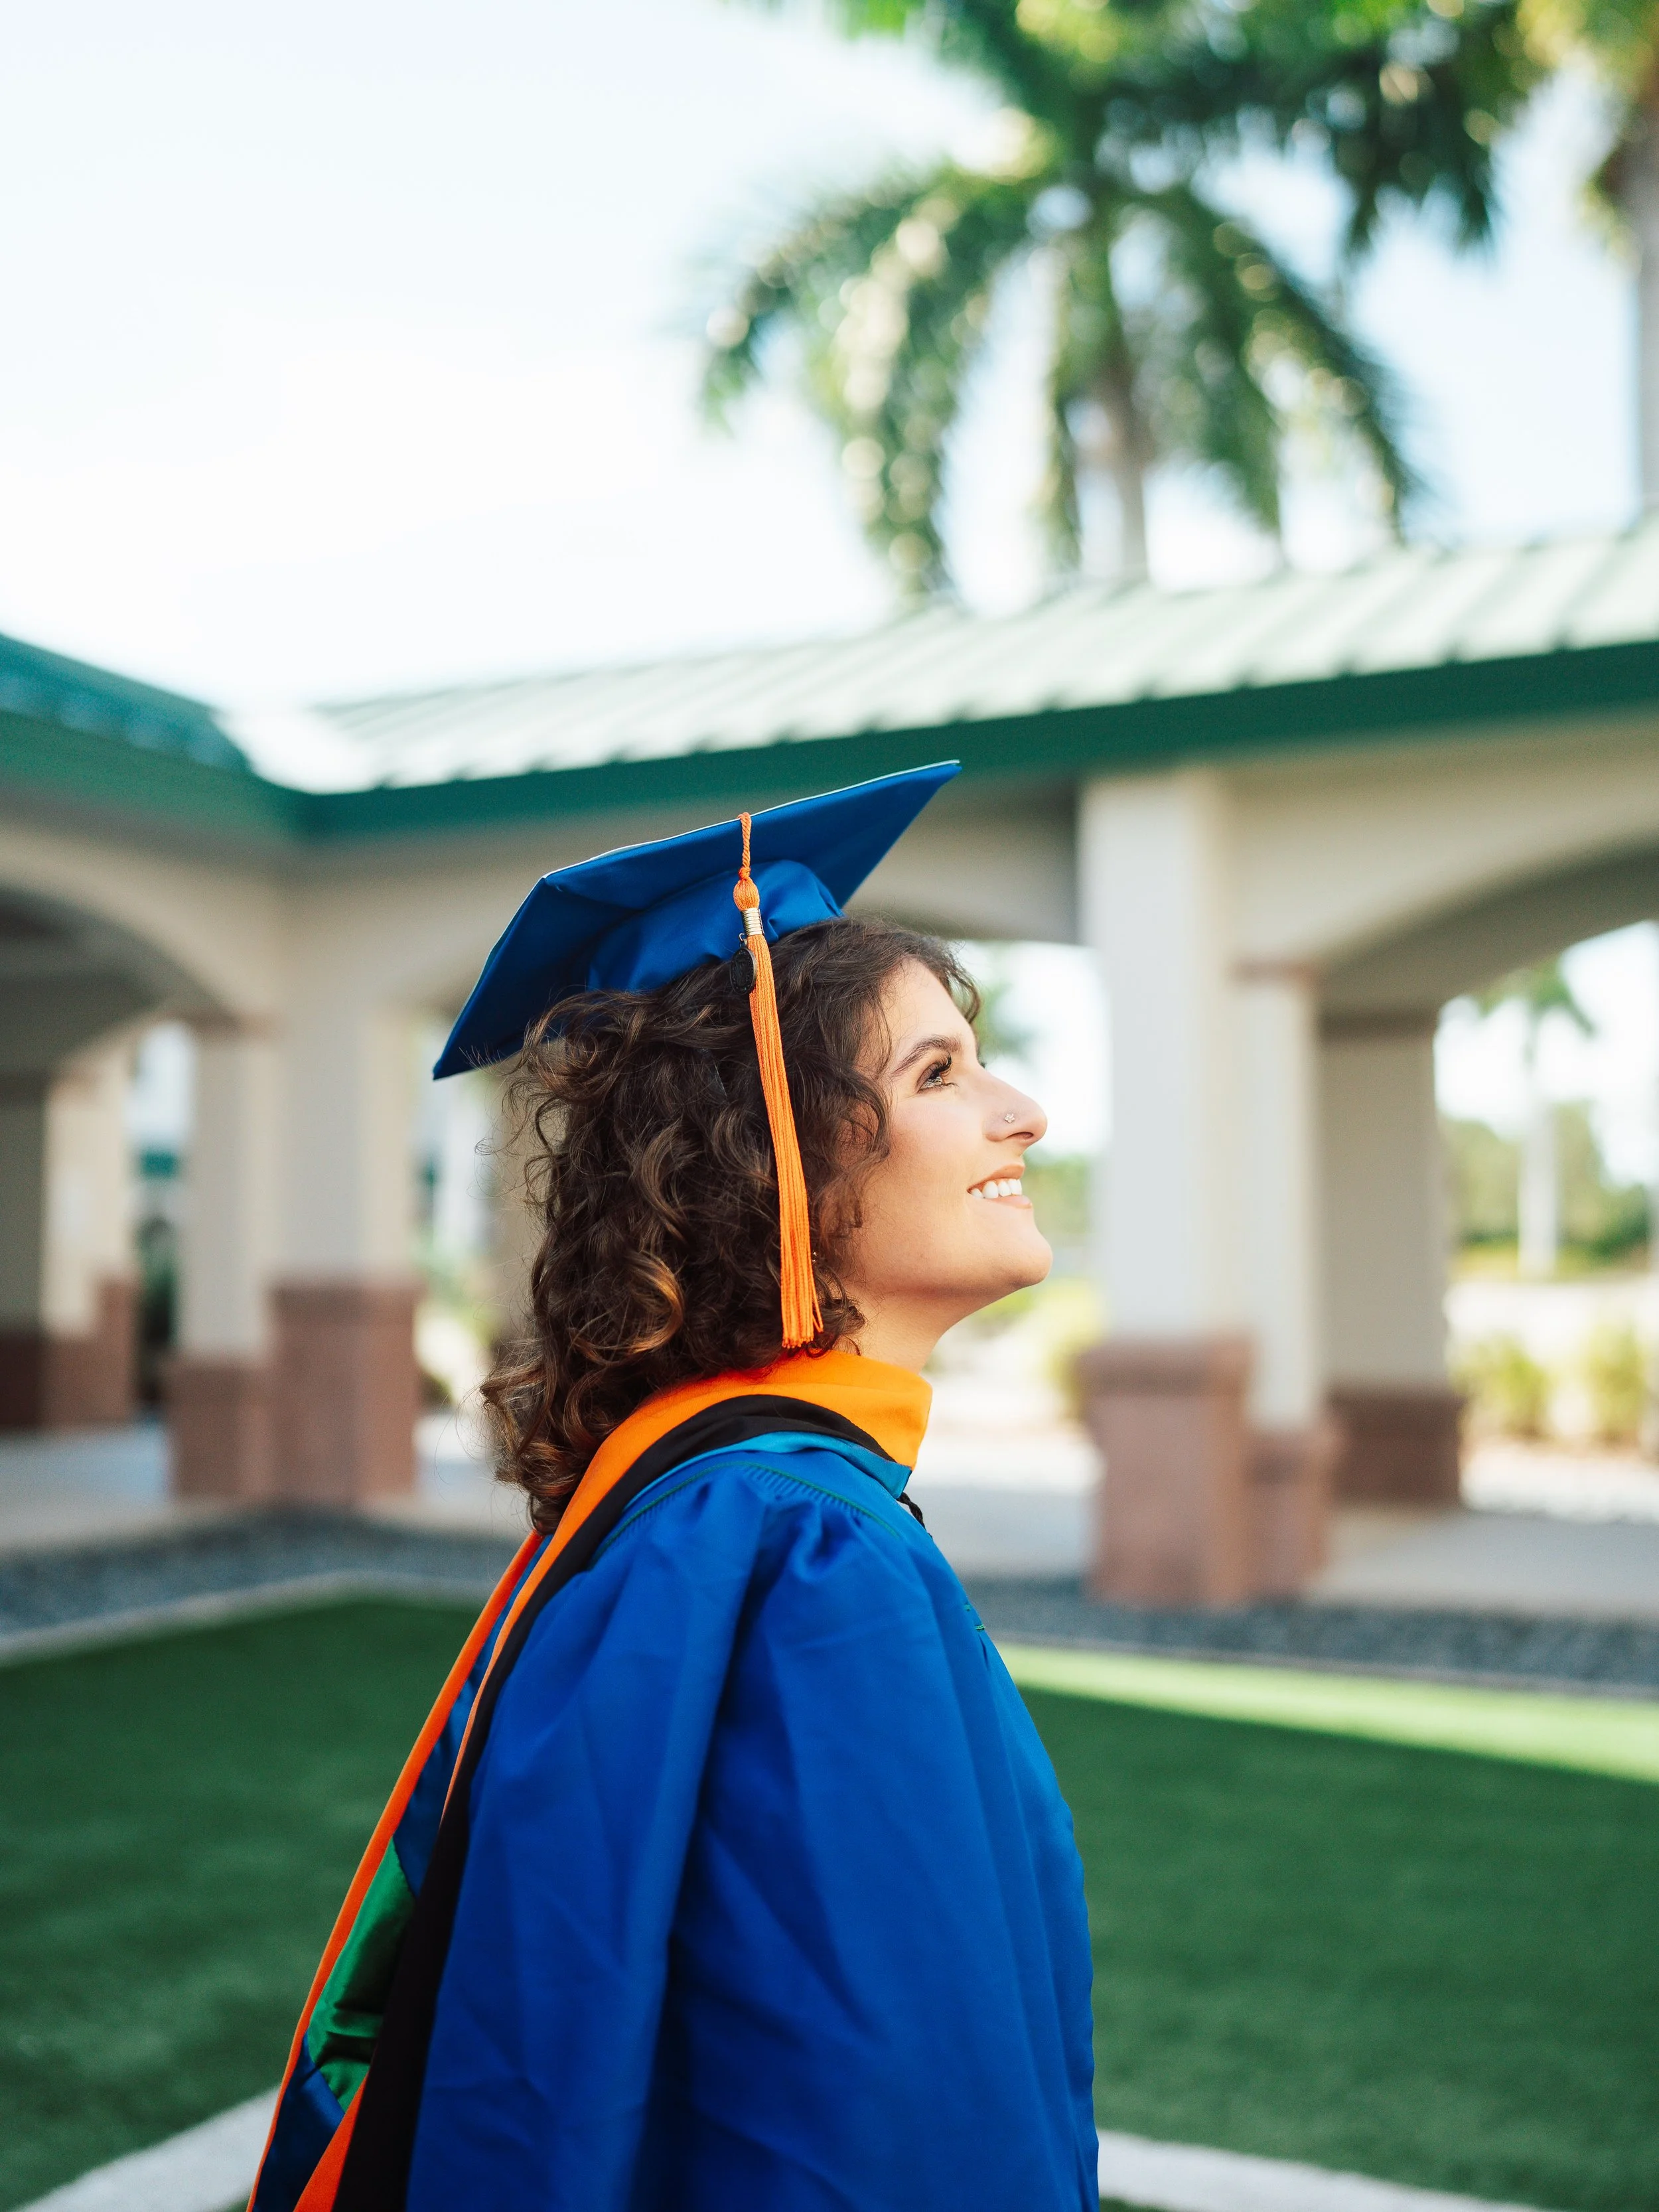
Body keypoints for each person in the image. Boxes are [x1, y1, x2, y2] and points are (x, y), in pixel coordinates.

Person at [250, 764, 1098, 2212]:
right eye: (939, 1072)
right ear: (779, 1157)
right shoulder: (797, 1547)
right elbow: (879, 2102)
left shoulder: (721, 1502)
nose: (1017, 1111)